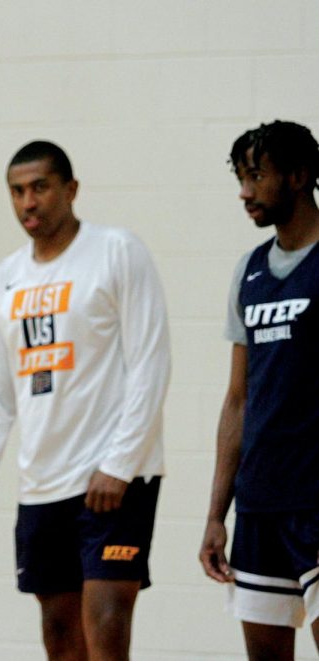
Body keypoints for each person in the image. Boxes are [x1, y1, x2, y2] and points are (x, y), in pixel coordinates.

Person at [0, 141, 171, 661]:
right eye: (17, 191)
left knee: (107, 618)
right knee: (58, 630)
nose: (28, 202)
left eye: (40, 187)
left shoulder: (117, 251)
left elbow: (151, 362)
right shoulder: (5, 278)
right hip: (41, 484)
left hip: (114, 482)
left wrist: (119, 464)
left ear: (70, 190)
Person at [198, 120, 319, 660]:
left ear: (298, 176)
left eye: (256, 176)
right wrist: (214, 514)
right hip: (262, 502)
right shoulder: (249, 271)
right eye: (241, 177)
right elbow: (238, 400)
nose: (245, 191)